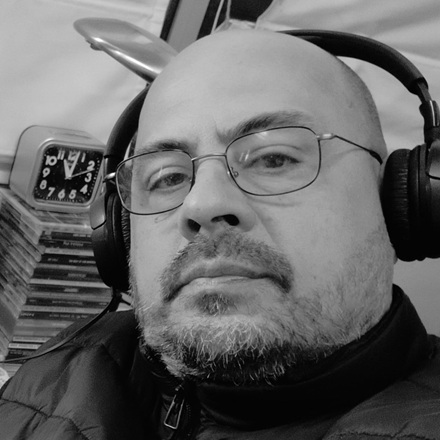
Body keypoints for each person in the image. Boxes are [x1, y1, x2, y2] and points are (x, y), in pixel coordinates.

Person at [1, 29, 439, 439]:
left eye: (273, 158)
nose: (202, 205)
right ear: (118, 234)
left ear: (399, 203)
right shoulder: (56, 373)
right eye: (168, 177)